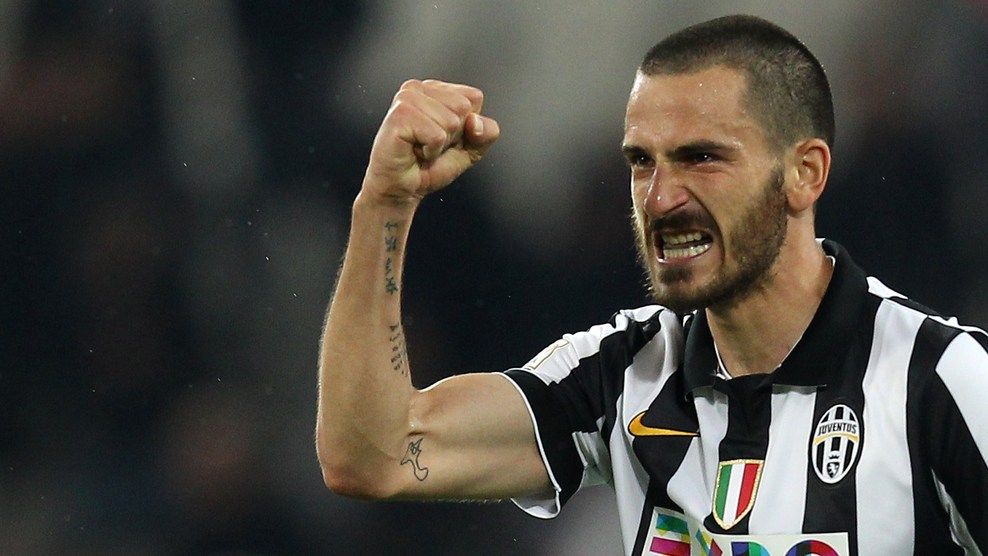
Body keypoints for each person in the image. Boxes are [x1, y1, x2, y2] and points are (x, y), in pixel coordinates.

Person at [315, 14, 988, 554]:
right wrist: (383, 205)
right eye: (642, 163)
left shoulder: (942, 380)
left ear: (804, 174)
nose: (661, 198)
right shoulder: (620, 373)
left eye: (702, 158)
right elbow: (374, 457)